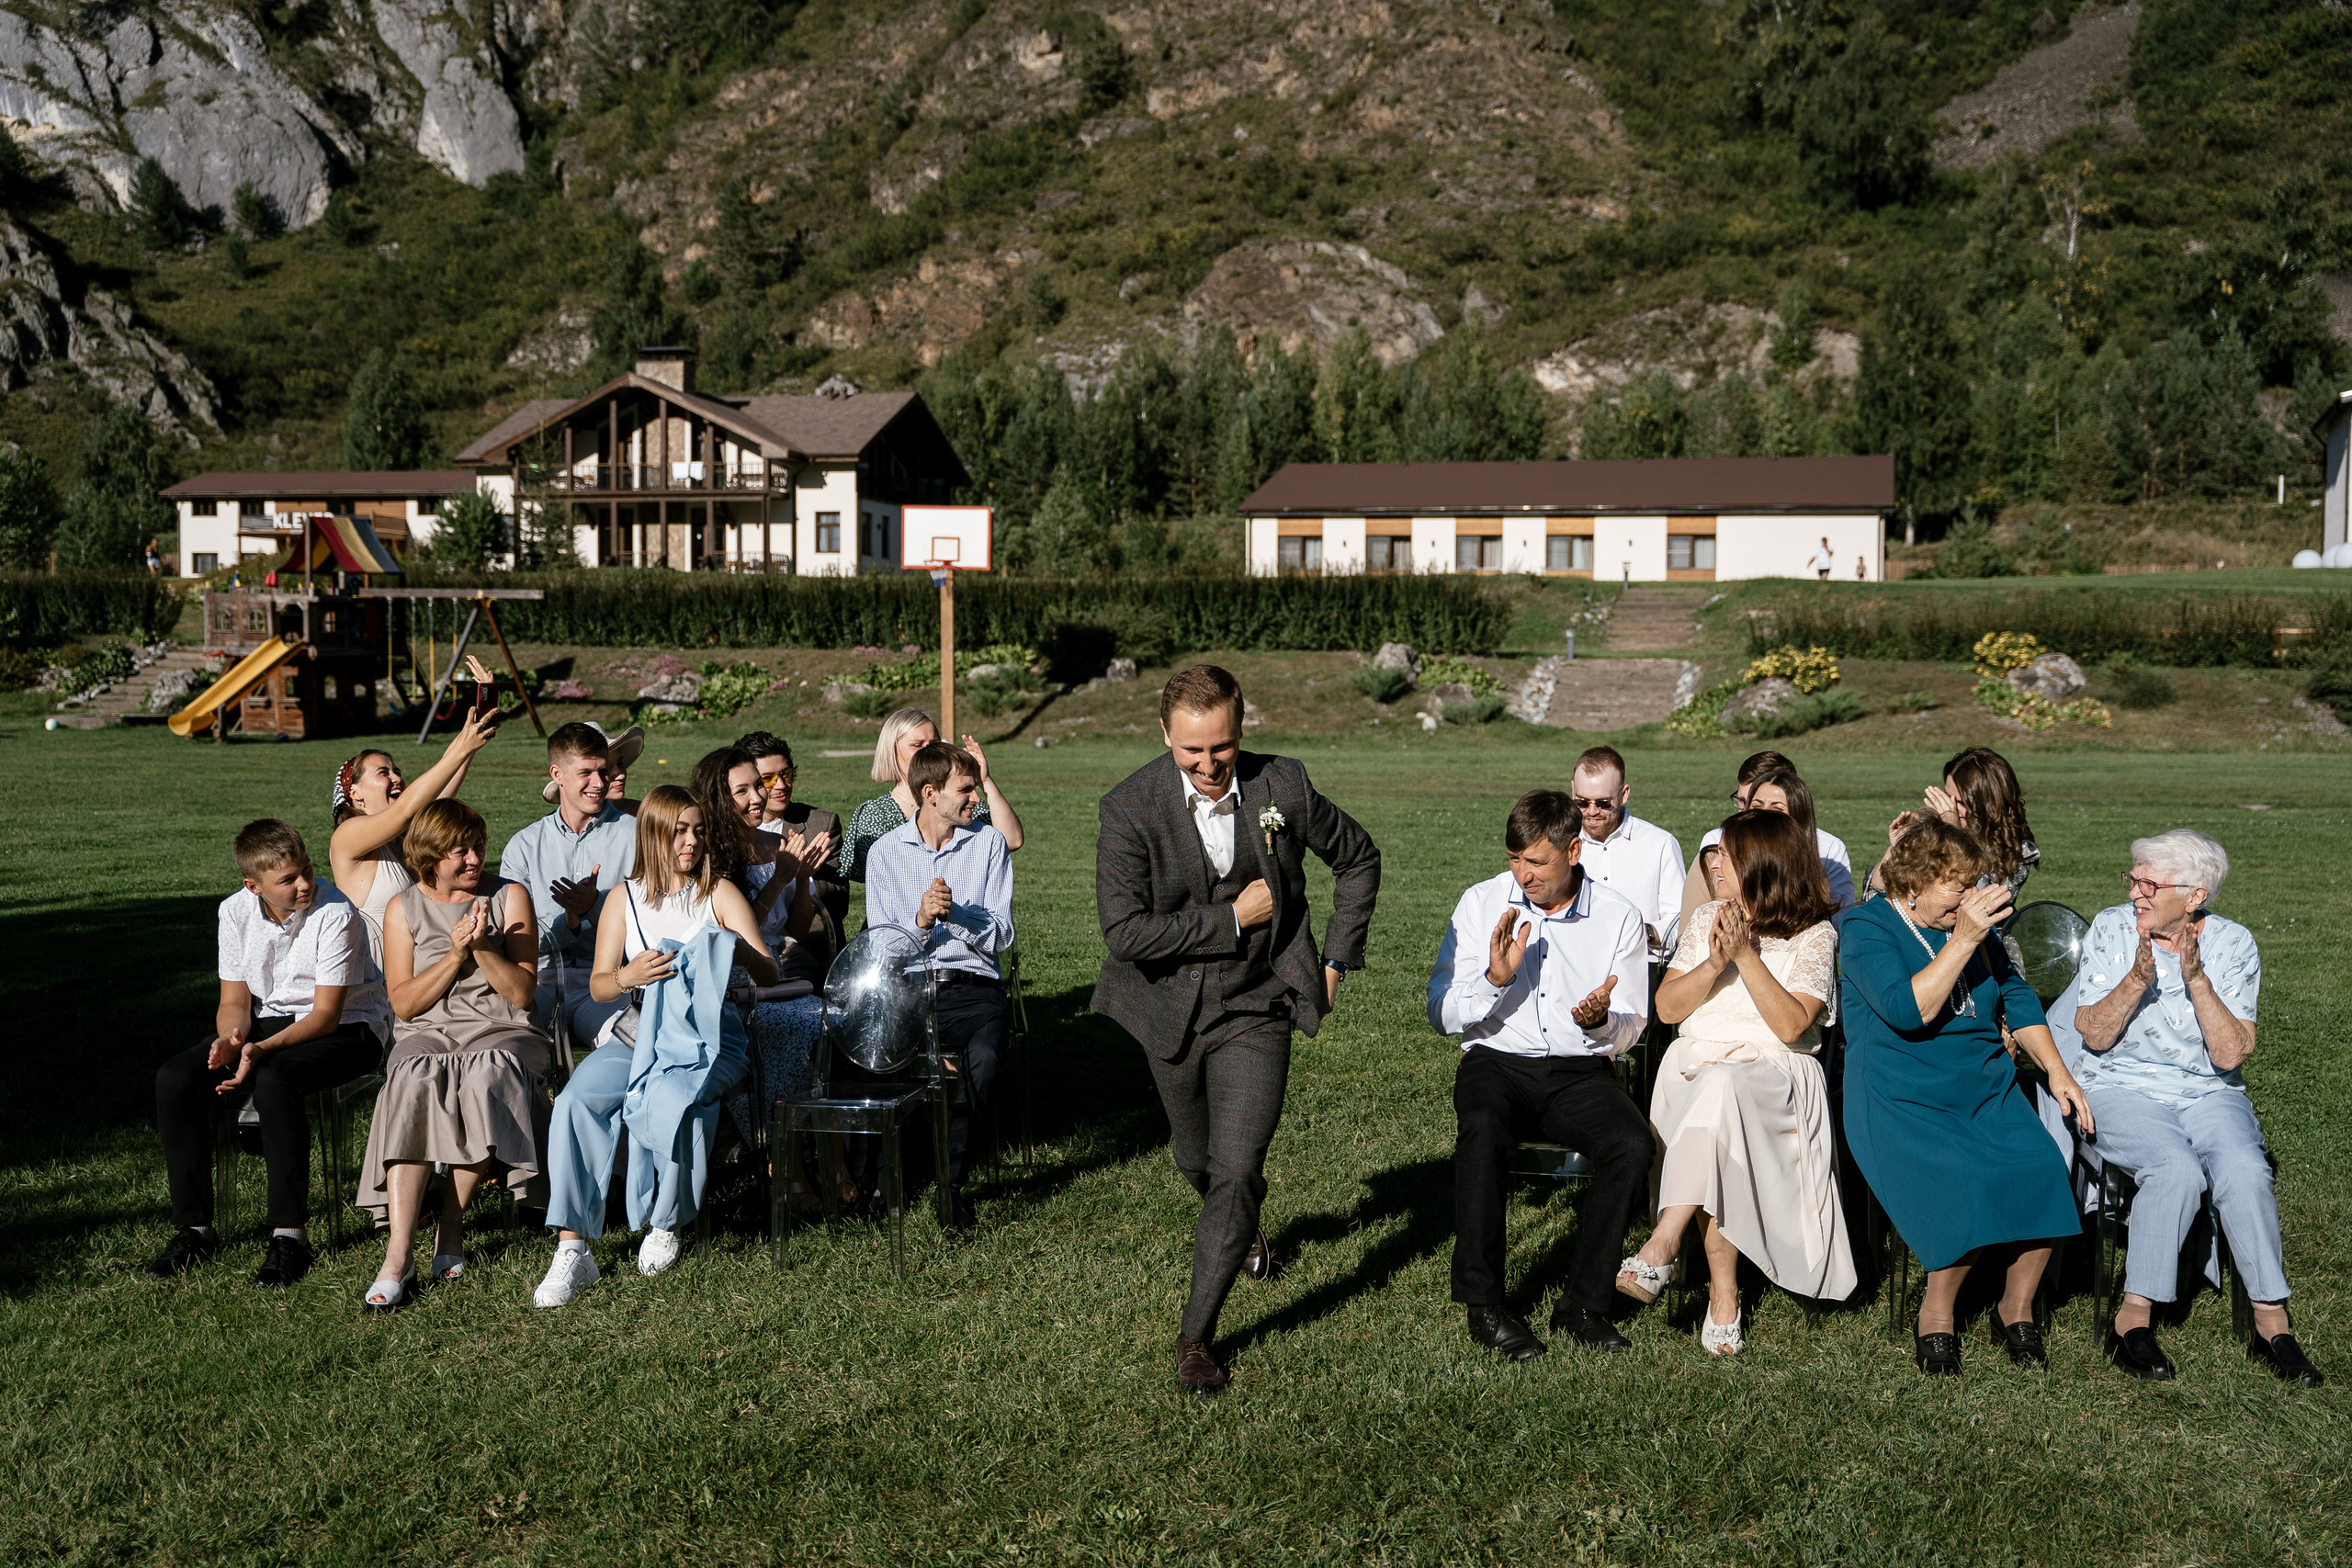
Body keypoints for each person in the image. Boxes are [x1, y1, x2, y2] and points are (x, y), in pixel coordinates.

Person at [1095, 664, 1381, 1395]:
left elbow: (1359, 857)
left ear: (1240, 730)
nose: (1208, 765)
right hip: (1170, 1012)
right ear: (1166, 735)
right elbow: (1125, 933)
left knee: (1236, 1166)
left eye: (1220, 748)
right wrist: (1230, 918)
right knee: (1196, 1161)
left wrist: (1336, 961)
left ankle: (1196, 1336)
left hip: (1261, 1007)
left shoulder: (1282, 786)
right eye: (1191, 751)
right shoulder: (1129, 807)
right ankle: (1240, 1222)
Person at [2052, 829, 2322, 1386]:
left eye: (2150, 883)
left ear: (2195, 895)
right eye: (2134, 878)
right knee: (2174, 1169)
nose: (2136, 893)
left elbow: (2230, 1053)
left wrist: (2195, 978)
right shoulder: (2111, 929)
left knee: (2246, 1169)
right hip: (2119, 1084)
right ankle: (2133, 1321)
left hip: (2207, 1089)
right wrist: (2135, 981)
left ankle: (2273, 1325)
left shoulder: (2233, 945)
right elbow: (2094, 1036)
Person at [1840, 818, 2093, 1375]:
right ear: (1914, 885)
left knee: (2043, 1166)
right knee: (1968, 1177)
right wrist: (1963, 941)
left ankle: (2016, 1306)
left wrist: (2057, 1072)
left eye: (1973, 883)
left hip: (1982, 1085)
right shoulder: (1865, 927)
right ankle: (1936, 1312)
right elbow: (1909, 1011)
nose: (1970, 897)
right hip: (1900, 1093)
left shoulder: (1974, 929)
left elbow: (2018, 998)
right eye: (1957, 886)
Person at [1430, 788, 1652, 1364]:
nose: (1521, 874)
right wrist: (1493, 982)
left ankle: (1583, 1305)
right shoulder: (1480, 904)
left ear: (1574, 850)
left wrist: (1604, 1025)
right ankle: (1484, 1305)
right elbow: (1440, 1013)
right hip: (1496, 1062)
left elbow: (1634, 1026)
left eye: (1536, 862)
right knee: (1481, 1126)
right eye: (1513, 859)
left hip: (1580, 1069)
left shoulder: (1618, 916)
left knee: (1630, 1144)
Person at [532, 787, 777, 1307]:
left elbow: (770, 969)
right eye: (678, 831)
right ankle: (573, 1248)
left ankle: (665, 1221)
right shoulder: (624, 899)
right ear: (653, 835)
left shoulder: (719, 893)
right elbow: (599, 986)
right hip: (640, 1030)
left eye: (698, 831)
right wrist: (627, 974)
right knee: (578, 1100)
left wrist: (734, 948)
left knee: (676, 1098)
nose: (691, 841)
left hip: (708, 1035)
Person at [1619, 810, 1853, 1353]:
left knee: (1722, 1091)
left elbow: (1793, 1025)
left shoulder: (1814, 934)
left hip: (1775, 1078)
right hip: (1695, 1069)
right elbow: (1668, 1009)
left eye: (1723, 852)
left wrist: (1746, 958)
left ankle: (1663, 1244)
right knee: (1715, 1093)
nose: (1711, 861)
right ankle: (1724, 1296)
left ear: (1760, 864)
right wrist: (1712, 964)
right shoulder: (1706, 922)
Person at [145, 821, 390, 1287]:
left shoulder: (335, 911)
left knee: (277, 1079)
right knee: (175, 1078)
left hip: (351, 1027)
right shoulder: (234, 912)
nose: (304, 885)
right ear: (252, 886)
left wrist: (257, 1053)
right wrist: (231, 1041)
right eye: (288, 879)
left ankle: (289, 1236)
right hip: (267, 1024)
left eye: (306, 870)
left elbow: (325, 1016)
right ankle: (193, 1228)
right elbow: (235, 1001)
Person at [357, 799, 548, 1308]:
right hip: (430, 1028)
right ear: (428, 857)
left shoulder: (509, 897)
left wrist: (484, 947)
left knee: (487, 1075)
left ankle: (450, 1225)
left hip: (500, 1026)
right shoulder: (403, 907)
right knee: (412, 1080)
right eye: (459, 851)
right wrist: (455, 955)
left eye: (478, 846)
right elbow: (405, 1003)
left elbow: (522, 995)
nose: (473, 859)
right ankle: (399, 1254)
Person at [865, 741, 1016, 1232]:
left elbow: (1003, 932)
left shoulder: (988, 844)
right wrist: (922, 918)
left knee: (986, 1058)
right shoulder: (886, 852)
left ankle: (951, 1187)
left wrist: (960, 915)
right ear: (930, 794)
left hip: (972, 984)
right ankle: (885, 1174)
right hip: (907, 985)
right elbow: (882, 947)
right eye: (966, 789)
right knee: (875, 1056)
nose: (976, 798)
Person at [690, 746, 843, 1213]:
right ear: (718, 798)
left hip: (776, 967)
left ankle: (833, 1167)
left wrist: (798, 880)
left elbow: (796, 928)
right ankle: (792, 1171)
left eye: (758, 784)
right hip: (731, 974)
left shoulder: (776, 842)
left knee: (826, 1024)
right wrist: (778, 880)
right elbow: (733, 937)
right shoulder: (708, 853)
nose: (759, 796)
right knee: (797, 1026)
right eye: (743, 790)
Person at [500, 722, 641, 1055]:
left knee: (635, 1044)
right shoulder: (524, 846)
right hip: (540, 983)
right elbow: (512, 942)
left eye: (603, 771)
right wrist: (570, 923)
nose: (599, 783)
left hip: (613, 984)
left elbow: (652, 921)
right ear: (557, 774)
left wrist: (596, 905)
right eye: (586, 773)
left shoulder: (637, 836)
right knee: (503, 1047)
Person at [329, 693, 497, 963]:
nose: (397, 777)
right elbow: (404, 812)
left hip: (416, 971)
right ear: (354, 793)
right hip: (374, 981)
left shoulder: (404, 835)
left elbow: (440, 797)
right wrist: (463, 748)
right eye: (383, 773)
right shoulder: (347, 835)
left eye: (396, 770)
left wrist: (473, 736)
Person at [837, 707, 1023, 884]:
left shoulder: (958, 802)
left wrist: (985, 780)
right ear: (891, 751)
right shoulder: (876, 814)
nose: (928, 752)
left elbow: (1011, 840)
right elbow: (888, 879)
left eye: (934, 744)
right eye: (917, 745)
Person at [1679, 754, 1853, 926]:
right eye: (1755, 806)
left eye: (1776, 809)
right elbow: (1687, 937)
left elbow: (1840, 926)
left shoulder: (1826, 855)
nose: (1763, 816)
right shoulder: (1712, 855)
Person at [1867, 746, 2038, 903]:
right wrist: (1898, 848)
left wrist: (1952, 833)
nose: (1950, 808)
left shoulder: (2017, 852)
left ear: (1989, 806)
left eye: (1962, 803)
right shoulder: (1932, 834)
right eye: (1948, 797)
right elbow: (1873, 898)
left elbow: (1966, 904)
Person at [1566, 745, 1685, 963]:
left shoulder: (1660, 844)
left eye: (1603, 803)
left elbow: (1681, 920)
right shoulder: (1560, 843)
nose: (1592, 811)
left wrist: (1642, 933)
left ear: (1624, 794)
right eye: (1582, 802)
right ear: (1572, 790)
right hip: (1575, 967)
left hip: (1640, 969)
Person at [737, 729, 848, 928]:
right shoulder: (729, 831)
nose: (781, 785)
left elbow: (839, 903)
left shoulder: (822, 824)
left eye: (786, 774)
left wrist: (802, 877)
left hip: (807, 944)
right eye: (768, 779)